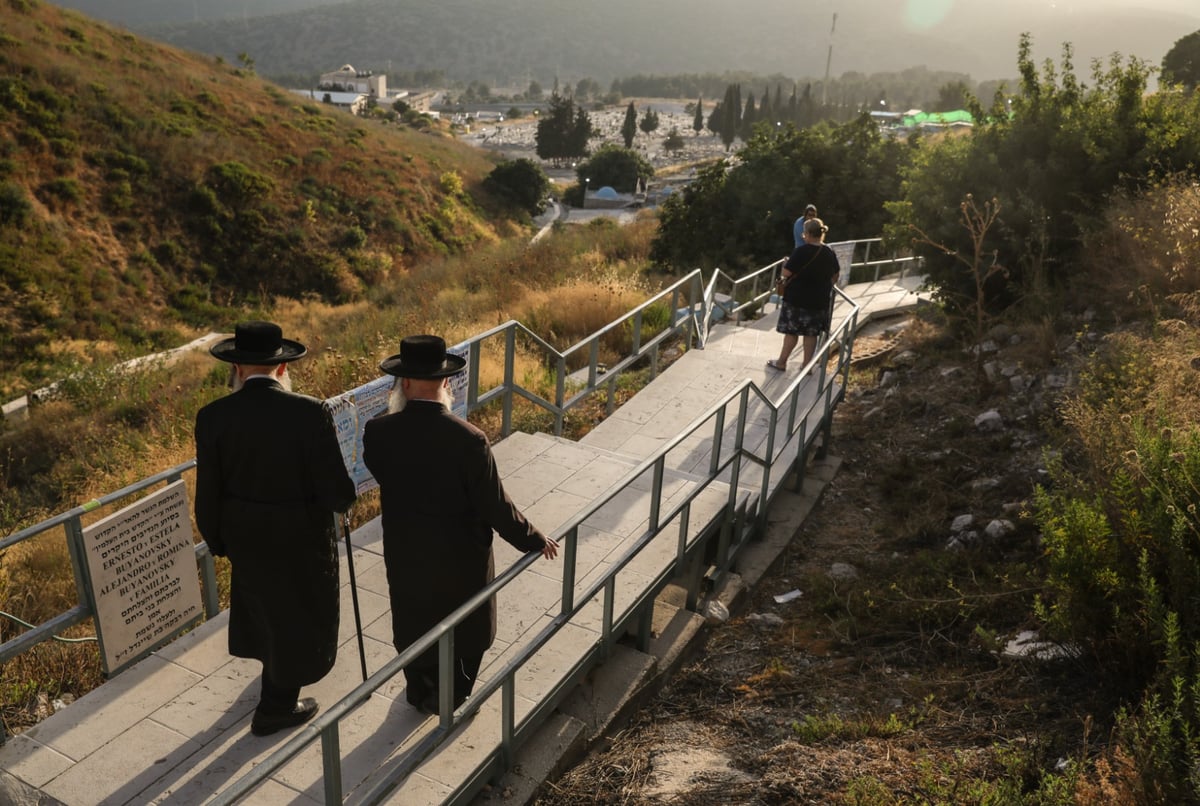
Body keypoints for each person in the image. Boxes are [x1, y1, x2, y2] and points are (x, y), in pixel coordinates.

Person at [362, 334, 559, 715]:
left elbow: (381, 471)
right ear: (447, 384)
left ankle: (419, 691)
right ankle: (453, 697)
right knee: (466, 627)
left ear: (402, 384)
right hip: (460, 558)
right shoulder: (470, 440)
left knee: (413, 619)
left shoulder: (378, 432)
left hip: (406, 554)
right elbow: (496, 507)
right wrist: (534, 539)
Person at [194, 320, 356, 737]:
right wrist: (344, 500)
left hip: (246, 537)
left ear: (237, 369)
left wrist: (218, 540)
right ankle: (275, 708)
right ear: (282, 370)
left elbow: (207, 494)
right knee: (299, 617)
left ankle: (274, 680)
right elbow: (336, 490)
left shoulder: (212, 417)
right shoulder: (310, 411)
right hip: (301, 540)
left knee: (265, 607)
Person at [768, 217, 841, 372]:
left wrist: (785, 264)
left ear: (808, 233)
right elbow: (835, 275)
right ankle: (806, 366)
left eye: (804, 234)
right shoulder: (828, 252)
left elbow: (786, 273)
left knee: (791, 332)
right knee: (811, 334)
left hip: (796, 300)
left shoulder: (801, 251)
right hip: (818, 301)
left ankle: (782, 362)